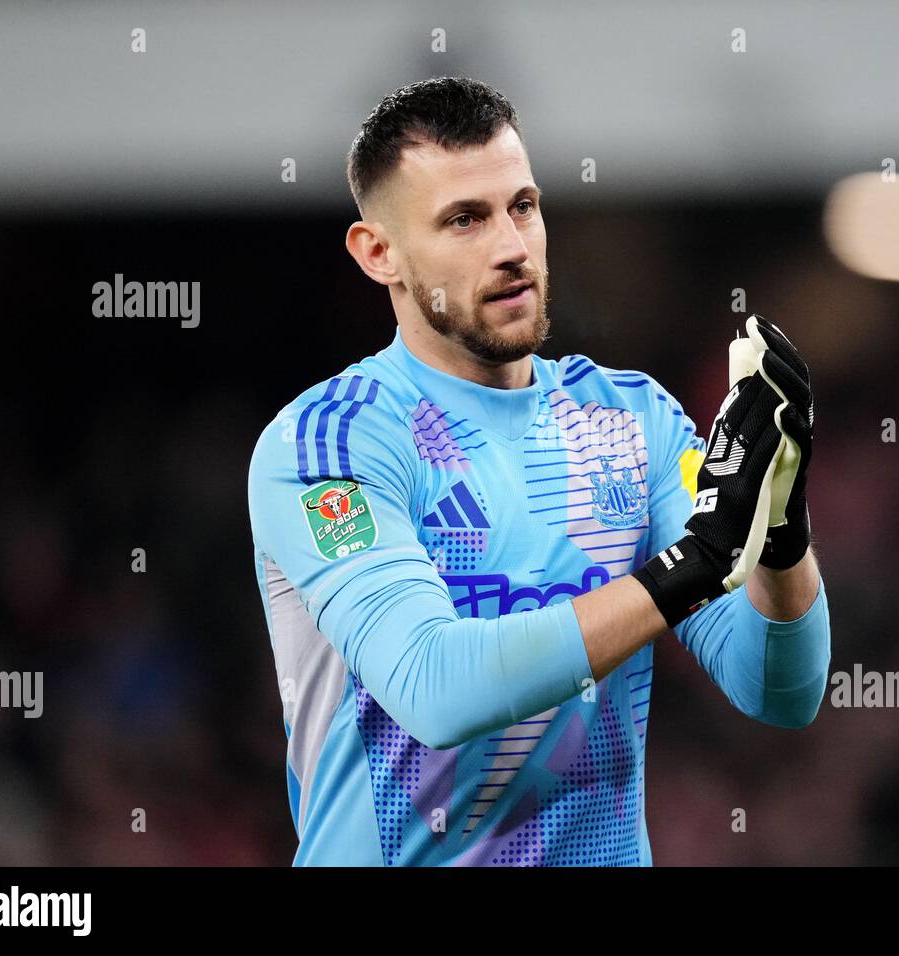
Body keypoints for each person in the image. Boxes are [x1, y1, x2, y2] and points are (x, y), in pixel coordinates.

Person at [247, 76, 831, 866]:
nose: (512, 247)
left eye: (523, 206)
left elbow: (778, 691)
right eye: (465, 219)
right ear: (378, 252)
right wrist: (694, 563)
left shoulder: (632, 421)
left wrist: (780, 534)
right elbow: (435, 687)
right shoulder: (327, 445)